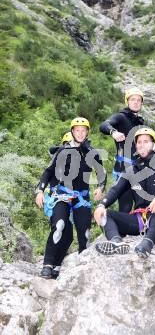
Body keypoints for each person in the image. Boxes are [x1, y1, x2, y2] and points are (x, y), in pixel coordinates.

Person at [35, 117, 107, 279]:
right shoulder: (62, 151)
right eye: (77, 130)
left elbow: (102, 173)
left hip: (81, 198)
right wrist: (40, 191)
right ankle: (48, 264)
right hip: (61, 195)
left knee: (85, 234)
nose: (80, 133)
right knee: (60, 225)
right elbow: (48, 172)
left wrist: (101, 187)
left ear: (87, 132)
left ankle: (82, 268)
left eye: (83, 130)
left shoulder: (92, 153)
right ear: (72, 132)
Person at [93, 127, 155, 257]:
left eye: (146, 141)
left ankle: (147, 244)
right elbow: (116, 189)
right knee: (104, 214)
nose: (142, 145)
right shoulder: (131, 170)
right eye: (139, 142)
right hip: (139, 220)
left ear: (154, 145)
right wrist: (101, 205)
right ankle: (116, 242)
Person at [100, 87, 152, 213]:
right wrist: (113, 132)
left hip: (140, 170)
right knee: (126, 207)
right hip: (123, 169)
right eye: (133, 99)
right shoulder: (120, 117)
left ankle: (144, 230)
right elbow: (104, 125)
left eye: (139, 100)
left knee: (144, 205)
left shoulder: (141, 124)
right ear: (127, 102)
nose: (136, 102)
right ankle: (122, 230)